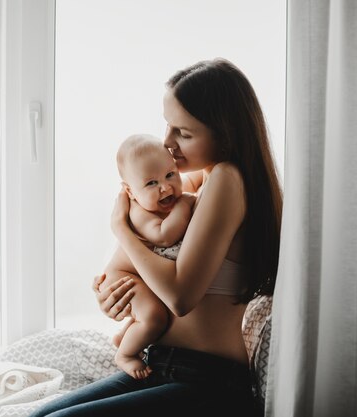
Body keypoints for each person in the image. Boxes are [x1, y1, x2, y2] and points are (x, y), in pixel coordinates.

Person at [29, 58, 282, 417]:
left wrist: (120, 229)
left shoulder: (228, 179)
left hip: (207, 380)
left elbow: (180, 296)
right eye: (168, 126)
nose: (168, 143)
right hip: (159, 364)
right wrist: (114, 294)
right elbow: (137, 262)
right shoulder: (193, 183)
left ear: (226, 134)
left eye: (184, 133)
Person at [104, 133, 196, 379]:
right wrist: (185, 204)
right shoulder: (138, 213)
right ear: (130, 192)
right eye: (151, 183)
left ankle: (124, 336)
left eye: (170, 175)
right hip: (124, 276)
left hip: (140, 276)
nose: (165, 187)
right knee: (154, 318)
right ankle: (125, 354)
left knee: (150, 314)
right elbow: (164, 236)